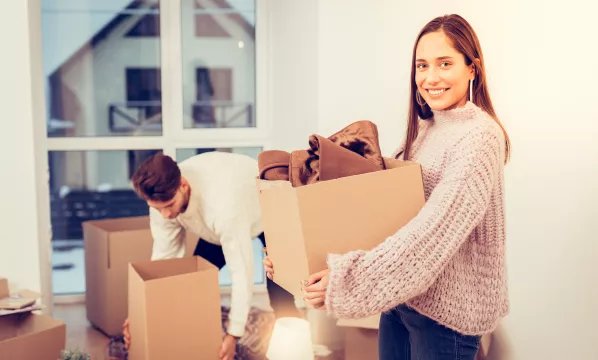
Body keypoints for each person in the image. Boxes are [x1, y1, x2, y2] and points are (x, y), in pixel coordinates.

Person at [264, 14, 510, 360]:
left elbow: (434, 232)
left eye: (445, 63)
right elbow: (377, 213)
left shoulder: (480, 136)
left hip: (445, 318)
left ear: (472, 68)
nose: (431, 77)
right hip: (402, 298)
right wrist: (293, 259)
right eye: (422, 65)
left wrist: (348, 281)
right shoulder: (425, 129)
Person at [123, 151, 297, 360]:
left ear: (183, 185)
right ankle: (197, 337)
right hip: (219, 223)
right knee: (194, 280)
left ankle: (294, 349)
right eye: (157, 209)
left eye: (169, 206)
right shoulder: (161, 201)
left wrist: (233, 336)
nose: (166, 215)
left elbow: (241, 272)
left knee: (279, 291)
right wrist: (141, 314)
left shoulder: (222, 206)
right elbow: (165, 262)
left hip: (271, 210)